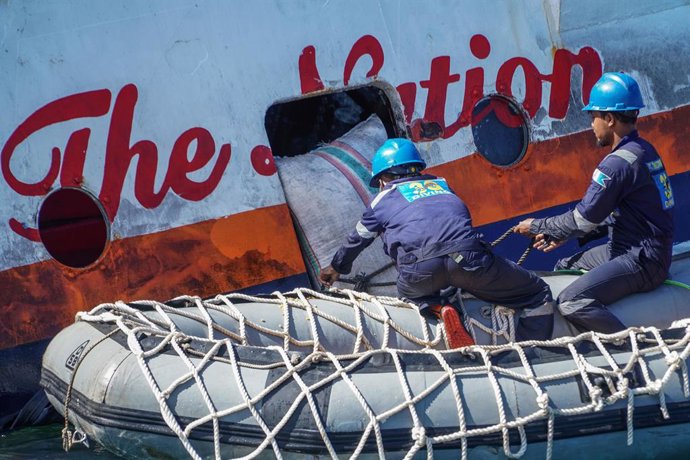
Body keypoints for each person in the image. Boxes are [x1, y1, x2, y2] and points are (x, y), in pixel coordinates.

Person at [319, 138, 554, 341]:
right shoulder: (442, 184)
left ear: (383, 178)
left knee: (406, 289)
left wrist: (337, 268)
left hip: (419, 271)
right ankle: (532, 352)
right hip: (469, 260)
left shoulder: (381, 199)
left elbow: (357, 239)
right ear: (417, 168)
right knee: (538, 293)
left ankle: (437, 306)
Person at [514, 72, 675, 334]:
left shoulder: (616, 164)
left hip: (641, 260)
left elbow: (583, 218)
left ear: (609, 119)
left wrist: (536, 224)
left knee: (571, 301)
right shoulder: (645, 151)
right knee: (565, 266)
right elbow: (630, 213)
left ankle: (631, 346)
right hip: (636, 250)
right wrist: (564, 235)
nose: (592, 125)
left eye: (593, 118)